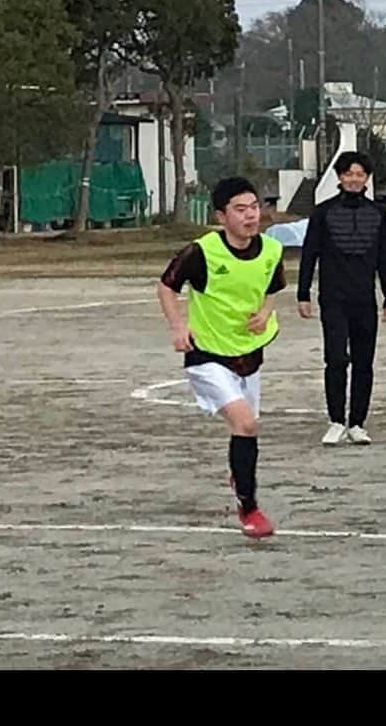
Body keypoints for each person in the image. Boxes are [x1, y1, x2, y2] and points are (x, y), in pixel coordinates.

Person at [157, 176, 285, 538]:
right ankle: (250, 509)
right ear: (221, 216)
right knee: (246, 424)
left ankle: (239, 470)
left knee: (244, 432)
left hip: (249, 354)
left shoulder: (271, 251)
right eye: (240, 210)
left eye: (254, 207)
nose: (250, 216)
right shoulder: (202, 252)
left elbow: (273, 289)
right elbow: (166, 286)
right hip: (207, 354)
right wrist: (179, 326)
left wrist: (264, 312)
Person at [298, 151, 386, 446]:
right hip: (333, 298)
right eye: (349, 174)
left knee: (364, 362)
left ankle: (357, 423)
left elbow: (384, 257)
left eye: (360, 174)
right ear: (339, 177)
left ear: (367, 178)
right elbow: (309, 254)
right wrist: (303, 293)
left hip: (364, 298)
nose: (354, 179)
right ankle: (336, 420)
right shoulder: (323, 212)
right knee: (337, 359)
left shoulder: (378, 213)